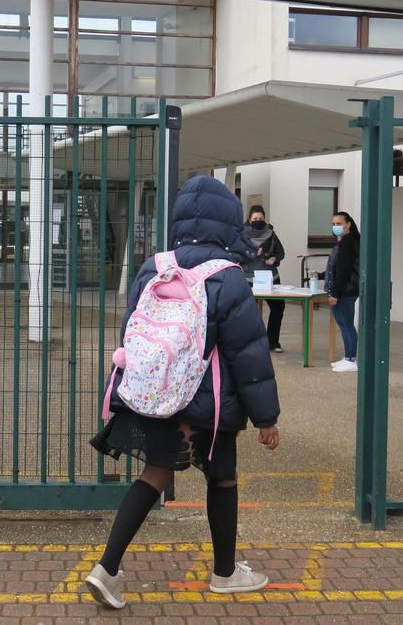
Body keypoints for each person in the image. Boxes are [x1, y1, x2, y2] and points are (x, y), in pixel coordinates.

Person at [86, 176, 281, 610]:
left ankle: (107, 568)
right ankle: (226, 573)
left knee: (154, 475)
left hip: (157, 396)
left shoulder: (154, 266)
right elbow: (249, 355)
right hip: (209, 403)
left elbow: (132, 332)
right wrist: (266, 417)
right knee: (223, 478)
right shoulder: (227, 277)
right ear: (226, 223)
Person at [243, 205, 286, 353]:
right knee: (250, 311)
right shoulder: (242, 234)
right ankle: (252, 343)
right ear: (249, 219)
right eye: (255, 219)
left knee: (278, 307)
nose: (258, 221)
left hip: (270, 277)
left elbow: (281, 252)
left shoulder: (271, 233)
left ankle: (273, 342)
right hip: (249, 279)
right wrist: (251, 253)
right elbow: (235, 255)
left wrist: (274, 259)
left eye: (260, 218)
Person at [326, 211, 360, 374]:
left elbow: (343, 270)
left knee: (346, 325)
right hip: (344, 290)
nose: (336, 227)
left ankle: (351, 359)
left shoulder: (348, 243)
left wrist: (335, 294)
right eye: (334, 224)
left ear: (348, 225)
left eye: (339, 224)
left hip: (345, 291)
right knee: (344, 324)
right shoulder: (346, 241)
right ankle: (348, 357)